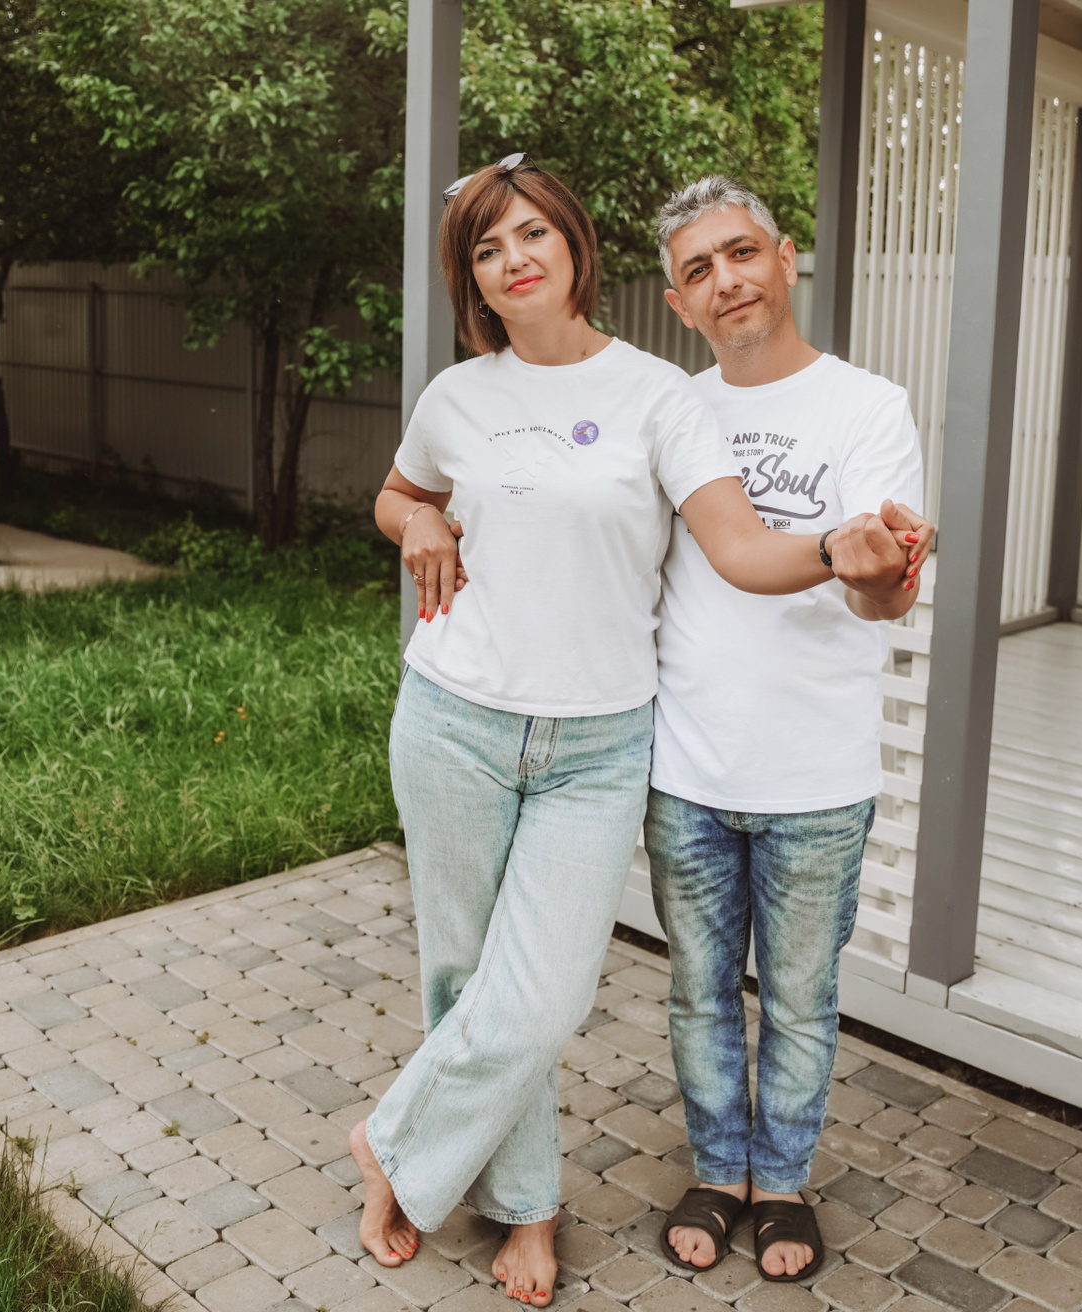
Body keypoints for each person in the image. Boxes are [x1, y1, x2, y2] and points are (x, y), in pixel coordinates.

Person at [348, 155, 935, 1308]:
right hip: (455, 718)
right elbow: (399, 491)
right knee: (467, 976)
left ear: (574, 245)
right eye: (486, 248)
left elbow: (740, 548)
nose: (513, 259)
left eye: (532, 233)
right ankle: (525, 1205)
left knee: (545, 993)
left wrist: (839, 549)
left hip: (602, 742)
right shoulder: (454, 395)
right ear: (474, 280)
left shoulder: (662, 397)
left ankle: (395, 1143)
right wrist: (414, 520)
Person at [645, 176, 930, 1283]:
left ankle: (782, 1183)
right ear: (680, 302)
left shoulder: (869, 407)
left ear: (786, 256)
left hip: (817, 774)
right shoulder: (673, 410)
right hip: (689, 766)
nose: (726, 280)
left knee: (801, 1003)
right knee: (700, 993)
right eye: (699, 269)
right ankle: (720, 1171)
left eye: (741, 252)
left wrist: (880, 566)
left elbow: (882, 597)